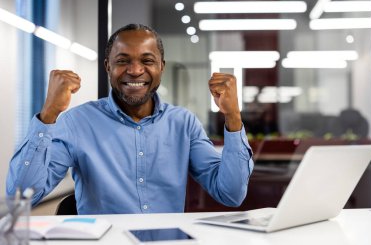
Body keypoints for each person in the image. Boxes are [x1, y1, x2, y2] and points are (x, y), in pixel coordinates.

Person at [6, 23, 254, 214]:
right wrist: (49, 114)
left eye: (147, 61)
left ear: (161, 67)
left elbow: (230, 193)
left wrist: (232, 117)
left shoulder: (183, 123)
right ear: (107, 66)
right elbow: (22, 195)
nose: (135, 70)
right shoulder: (77, 122)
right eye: (123, 61)